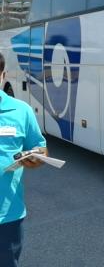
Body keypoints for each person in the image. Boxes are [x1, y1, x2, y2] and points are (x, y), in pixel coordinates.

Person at [0, 52, 47, 267]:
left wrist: (35, 158)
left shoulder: (21, 111)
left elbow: (40, 149)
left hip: (8, 216)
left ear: (3, 75)